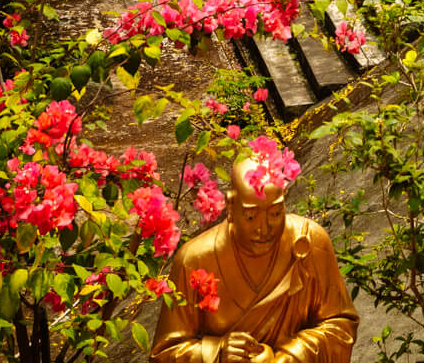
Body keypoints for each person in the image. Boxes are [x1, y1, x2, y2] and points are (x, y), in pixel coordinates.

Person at [151, 151, 357, 360]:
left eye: (275, 213)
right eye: (251, 216)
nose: (264, 228)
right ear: (230, 207)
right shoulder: (195, 259)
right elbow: (164, 353)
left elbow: (341, 327)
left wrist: (291, 357)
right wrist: (217, 352)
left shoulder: (309, 242)